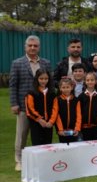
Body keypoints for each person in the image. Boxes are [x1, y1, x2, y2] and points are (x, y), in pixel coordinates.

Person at [9, 35, 51, 171]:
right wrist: (14, 103)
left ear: (39, 47)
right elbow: (13, 85)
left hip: (42, 106)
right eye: (30, 45)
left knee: (40, 133)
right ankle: (19, 160)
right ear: (25, 47)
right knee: (21, 134)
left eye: (35, 46)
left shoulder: (46, 63)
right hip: (22, 105)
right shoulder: (17, 63)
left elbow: (51, 84)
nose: (33, 48)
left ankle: (41, 157)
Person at [24, 68, 57, 146]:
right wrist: (39, 119)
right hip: (36, 123)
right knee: (37, 145)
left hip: (48, 124)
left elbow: (55, 109)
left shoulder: (52, 93)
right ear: (37, 79)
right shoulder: (31, 92)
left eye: (46, 79)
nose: (44, 81)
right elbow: (29, 109)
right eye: (41, 78)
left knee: (48, 145)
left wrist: (51, 121)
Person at [79, 72, 97, 141]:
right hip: (84, 127)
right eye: (88, 80)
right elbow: (78, 112)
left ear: (96, 81)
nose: (90, 82)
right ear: (85, 82)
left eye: (92, 80)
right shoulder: (81, 96)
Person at [54, 77, 81, 144]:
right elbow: (57, 115)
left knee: (74, 147)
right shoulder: (57, 100)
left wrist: (77, 128)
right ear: (60, 88)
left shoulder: (76, 100)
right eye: (63, 87)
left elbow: (79, 115)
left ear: (71, 87)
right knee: (63, 148)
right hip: (62, 130)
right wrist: (60, 129)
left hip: (73, 130)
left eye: (67, 87)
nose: (66, 89)